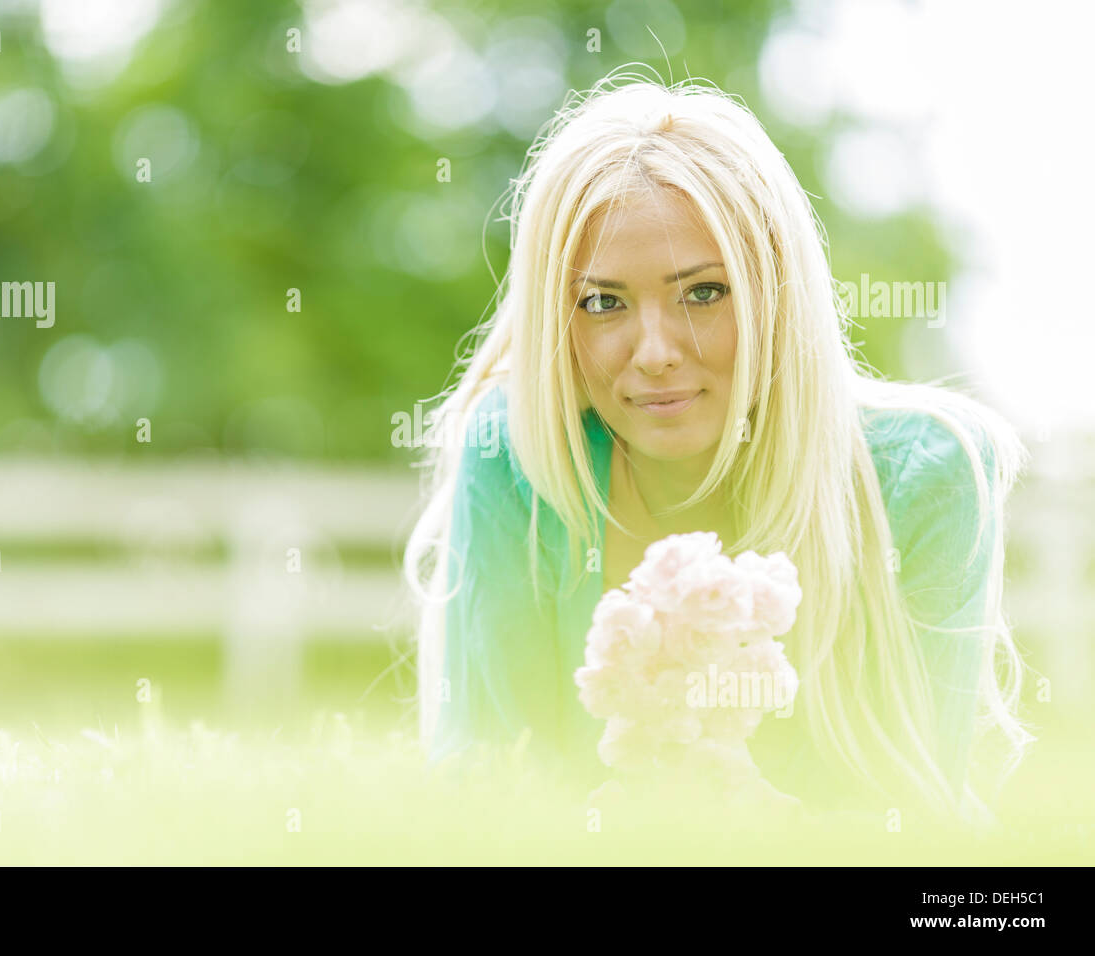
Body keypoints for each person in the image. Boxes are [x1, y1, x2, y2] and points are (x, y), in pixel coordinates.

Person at [403, 67, 1032, 824]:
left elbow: (917, 821)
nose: (657, 350)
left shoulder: (929, 476)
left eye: (703, 292)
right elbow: (487, 788)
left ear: (776, 289)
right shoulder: (515, 459)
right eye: (603, 303)